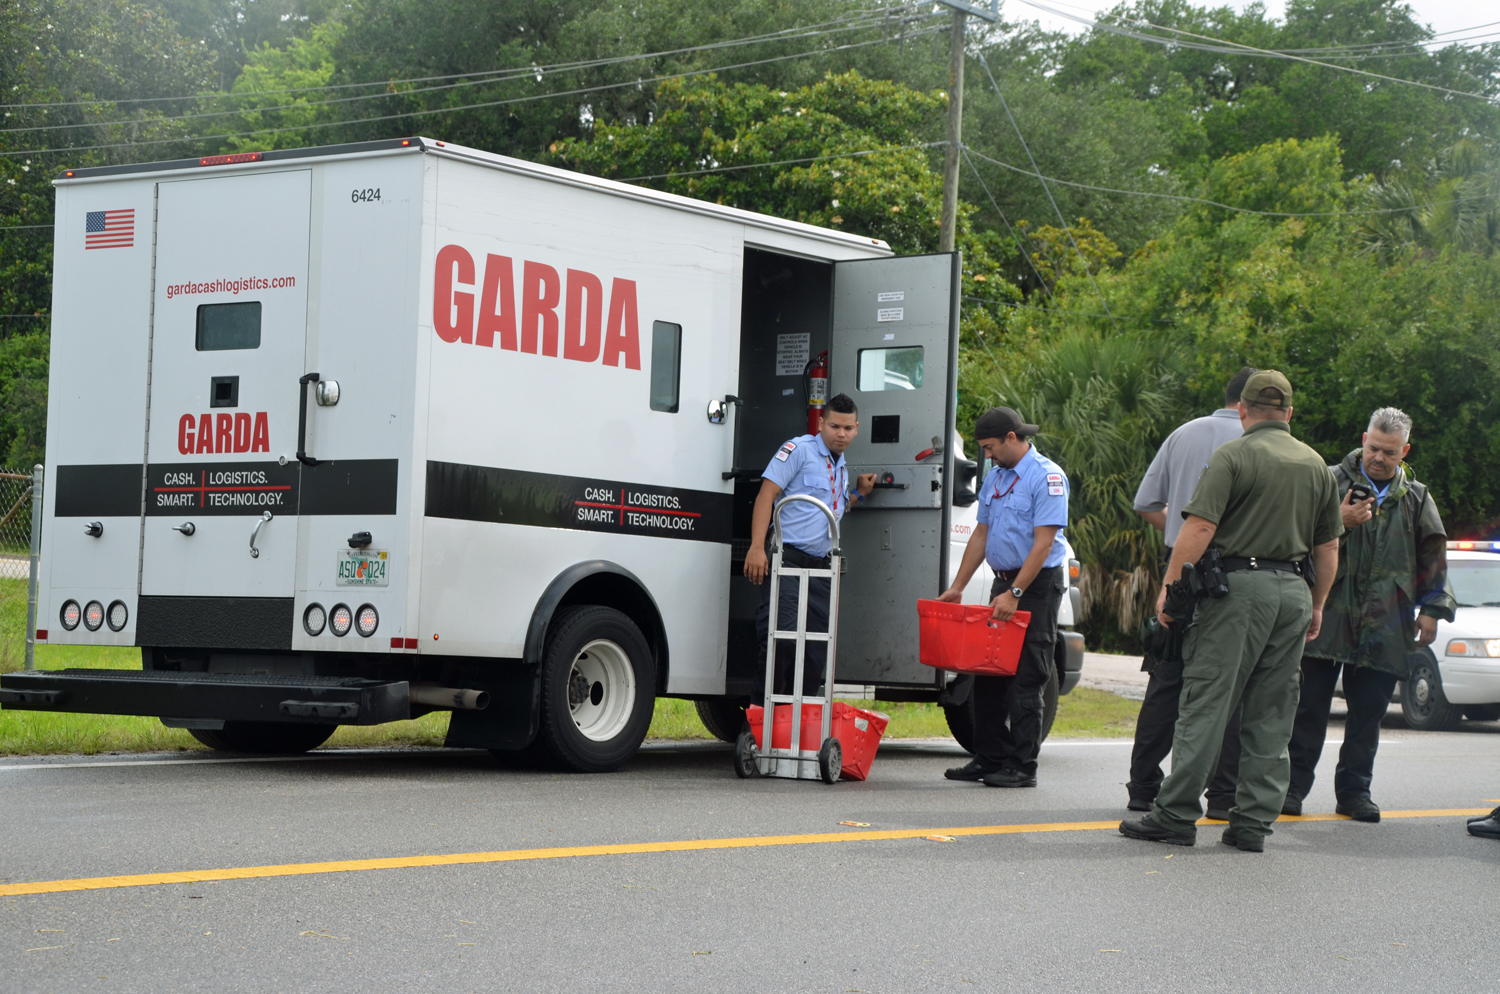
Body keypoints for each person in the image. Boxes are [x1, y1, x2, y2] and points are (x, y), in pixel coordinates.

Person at [1119, 371, 1342, 852]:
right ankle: (1252, 824)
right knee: (1272, 711)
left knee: (1208, 701)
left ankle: (1175, 814)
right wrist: (1318, 603)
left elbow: (1197, 530)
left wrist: (1169, 591)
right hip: (1294, 591)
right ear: (1289, 413)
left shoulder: (1234, 455)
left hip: (1238, 593)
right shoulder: (1316, 465)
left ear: (1242, 410)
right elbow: (1327, 547)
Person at [1281, 407, 1454, 822]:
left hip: (1386, 621)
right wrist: (1338, 520)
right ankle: (1291, 789)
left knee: (1368, 715)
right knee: (1307, 710)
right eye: (1374, 448)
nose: (1379, 457)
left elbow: (1433, 555)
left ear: (1404, 451)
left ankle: (1355, 792)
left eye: (1390, 452)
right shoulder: (1325, 480)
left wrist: (1432, 610)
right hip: (1325, 615)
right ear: (1363, 439)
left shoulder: (1417, 496)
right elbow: (1288, 536)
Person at [1126, 367, 1257, 816]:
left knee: (1165, 679)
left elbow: (1145, 503)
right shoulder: (1256, 443)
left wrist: (1182, 536)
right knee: (1230, 684)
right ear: (1252, 403)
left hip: (1180, 573)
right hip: (1234, 575)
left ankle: (1143, 785)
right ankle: (1222, 795)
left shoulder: (1184, 434)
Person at [937, 406, 1069, 788]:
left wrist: (1015, 593)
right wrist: (958, 586)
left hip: (1036, 587)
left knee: (1028, 676)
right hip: (1004, 584)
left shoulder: (1047, 477)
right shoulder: (995, 477)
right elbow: (981, 534)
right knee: (989, 673)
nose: (988, 455)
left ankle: (1023, 765)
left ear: (1012, 438)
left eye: (991, 447)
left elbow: (1043, 545)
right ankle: (989, 756)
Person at [744, 394, 876, 703]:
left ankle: (798, 723)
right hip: (787, 562)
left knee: (815, 650)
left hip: (820, 569)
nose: (840, 434)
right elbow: (766, 496)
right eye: (833, 426)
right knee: (782, 639)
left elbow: (833, 510)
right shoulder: (798, 451)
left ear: (856, 429)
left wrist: (859, 492)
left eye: (847, 428)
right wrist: (756, 547)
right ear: (821, 424)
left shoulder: (840, 466)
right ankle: (759, 722)